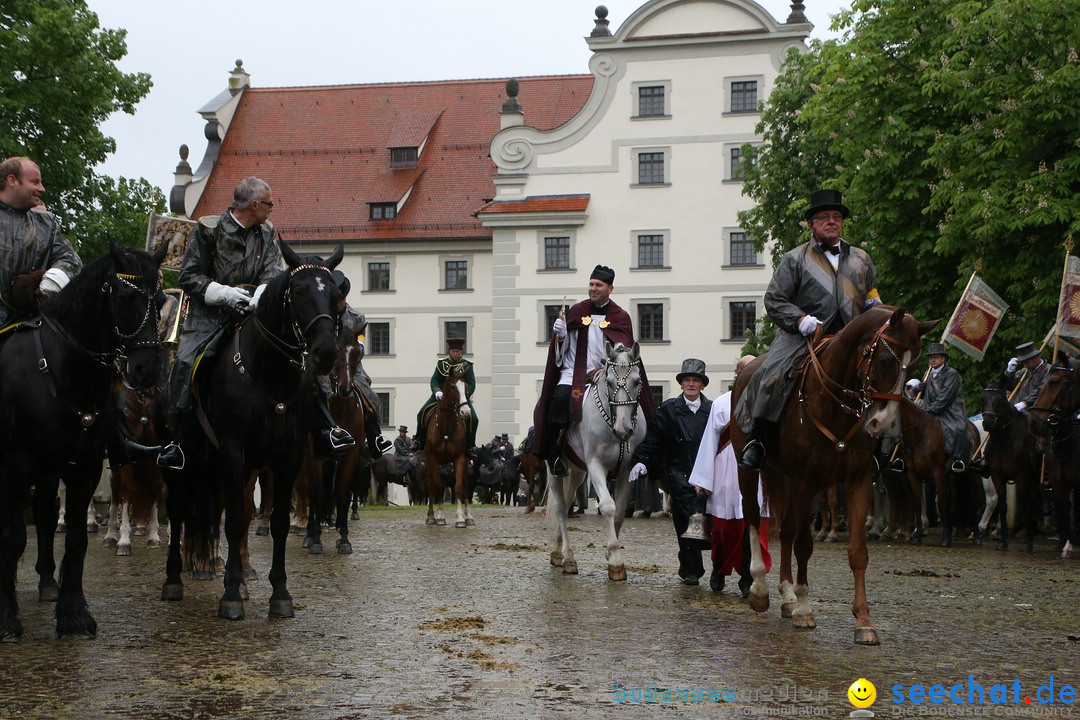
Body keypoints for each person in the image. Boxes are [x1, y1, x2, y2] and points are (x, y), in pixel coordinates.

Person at [161, 176, 353, 469]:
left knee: (301, 360)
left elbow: (272, 272)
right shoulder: (208, 229)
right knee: (186, 362)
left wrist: (258, 298)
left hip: (255, 312)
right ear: (253, 204)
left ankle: (325, 428)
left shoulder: (267, 231)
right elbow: (189, 276)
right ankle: (178, 441)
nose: (271, 208)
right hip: (209, 317)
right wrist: (225, 294)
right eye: (268, 203)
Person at [735, 189, 883, 470]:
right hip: (802, 336)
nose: (832, 221)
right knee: (769, 376)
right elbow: (774, 299)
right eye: (824, 217)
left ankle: (884, 450)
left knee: (887, 375)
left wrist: (877, 308)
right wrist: (800, 319)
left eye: (836, 216)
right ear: (811, 224)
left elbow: (871, 295)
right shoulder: (795, 258)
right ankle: (759, 439)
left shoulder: (861, 259)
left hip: (852, 337)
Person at [532, 264, 656, 476]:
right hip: (574, 372)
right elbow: (561, 351)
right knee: (560, 398)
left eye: (598, 285)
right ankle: (555, 453)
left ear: (610, 288)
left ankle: (631, 454)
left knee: (627, 399)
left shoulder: (621, 316)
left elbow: (623, 350)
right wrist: (560, 336)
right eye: (591, 284)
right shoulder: (577, 311)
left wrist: (606, 369)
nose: (593, 288)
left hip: (605, 372)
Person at [689, 355, 772, 597]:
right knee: (724, 529)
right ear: (739, 374)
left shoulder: (767, 402)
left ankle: (748, 576)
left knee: (753, 525)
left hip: (755, 473)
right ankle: (719, 569)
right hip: (726, 471)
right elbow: (710, 442)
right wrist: (703, 481)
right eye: (747, 370)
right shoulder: (722, 403)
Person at [628, 359, 713, 585]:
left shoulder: (712, 410)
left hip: (708, 473)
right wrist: (642, 460)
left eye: (696, 380)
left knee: (713, 521)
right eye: (687, 380)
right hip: (679, 472)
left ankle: (719, 569)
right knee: (685, 520)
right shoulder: (668, 409)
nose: (691, 384)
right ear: (682, 383)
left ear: (702, 385)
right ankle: (691, 569)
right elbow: (654, 438)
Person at [0, 156, 82, 329]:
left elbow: (71, 260)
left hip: (32, 329)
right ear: (12, 180)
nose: (42, 189)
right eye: (35, 182)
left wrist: (49, 284)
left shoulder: (46, 223)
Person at [332, 270, 393, 458]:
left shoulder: (357, 317)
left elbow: (360, 345)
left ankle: (376, 438)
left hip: (352, 365)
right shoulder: (323, 314)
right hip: (326, 365)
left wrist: (352, 353)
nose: (337, 303)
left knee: (370, 395)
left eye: (340, 299)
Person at [416, 337, 478, 451]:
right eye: (453, 351)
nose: (455, 354)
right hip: (440, 397)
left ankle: (470, 446)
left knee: (474, 419)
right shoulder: (441, 364)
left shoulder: (467, 366)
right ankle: (419, 441)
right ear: (449, 352)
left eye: (458, 352)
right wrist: (437, 391)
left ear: (461, 352)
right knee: (421, 413)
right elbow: (434, 379)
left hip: (460, 397)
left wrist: (464, 395)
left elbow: (472, 384)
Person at [921, 343, 973, 473]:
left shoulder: (952, 374)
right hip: (928, 410)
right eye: (931, 357)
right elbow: (925, 396)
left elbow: (945, 398)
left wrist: (929, 411)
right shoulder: (927, 374)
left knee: (958, 430)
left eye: (936, 357)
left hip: (949, 412)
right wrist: (920, 390)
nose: (932, 360)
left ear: (943, 359)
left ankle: (958, 458)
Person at [1005, 341, 1049, 414]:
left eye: (1026, 362)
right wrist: (1009, 372)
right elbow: (1010, 387)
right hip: (1016, 412)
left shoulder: (1048, 370)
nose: (1025, 366)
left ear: (1034, 359)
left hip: (1035, 414)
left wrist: (1025, 403)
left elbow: (1042, 389)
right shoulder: (1024, 371)